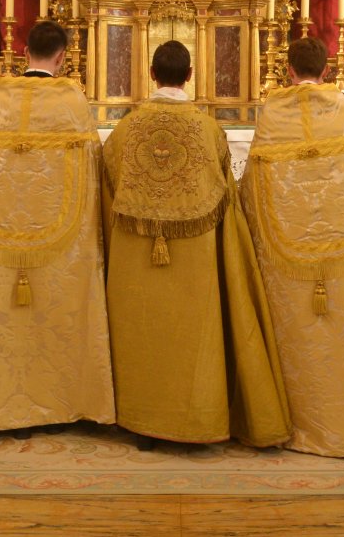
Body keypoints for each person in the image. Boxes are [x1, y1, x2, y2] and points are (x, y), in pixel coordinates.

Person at [101, 41, 290, 447]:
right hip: (196, 256)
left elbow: (110, 187)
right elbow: (226, 196)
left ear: (152, 74)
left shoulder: (124, 132)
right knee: (193, 334)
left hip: (137, 252)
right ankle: (197, 420)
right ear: (189, 76)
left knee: (144, 330)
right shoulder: (209, 131)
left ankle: (140, 418)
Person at [240, 37, 344, 456]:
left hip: (289, 250)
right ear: (327, 70)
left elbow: (252, 189)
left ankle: (301, 420)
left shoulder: (273, 116)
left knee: (299, 335)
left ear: (287, 71)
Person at [0, 21, 116, 432]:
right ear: (62, 57)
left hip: (2, 229)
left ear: (24, 52)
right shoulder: (71, 99)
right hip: (62, 235)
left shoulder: (1, 97)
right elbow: (92, 166)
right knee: (59, 309)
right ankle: (64, 403)